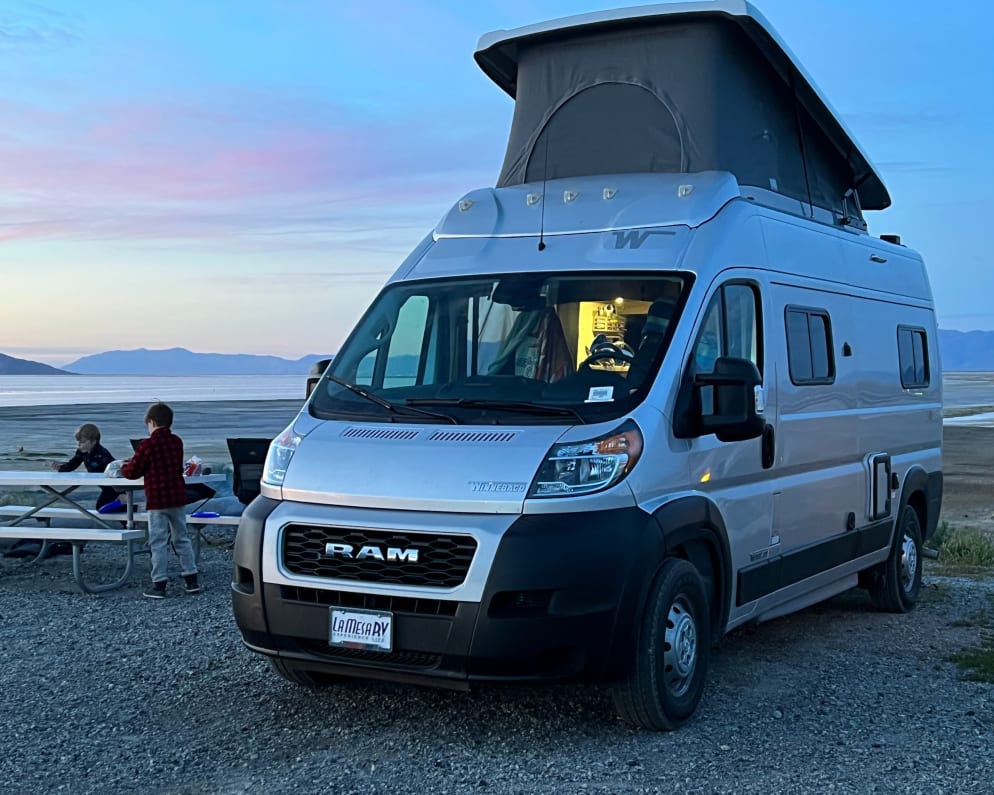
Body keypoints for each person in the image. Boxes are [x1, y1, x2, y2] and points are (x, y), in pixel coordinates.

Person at [3, 423, 119, 559]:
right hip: (104, 487)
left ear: (93, 442)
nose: (79, 445)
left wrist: (120, 488)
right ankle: (124, 508)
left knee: (105, 506)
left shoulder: (102, 453)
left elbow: (114, 470)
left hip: (114, 486)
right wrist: (61, 468)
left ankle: (126, 511)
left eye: (82, 442)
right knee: (101, 507)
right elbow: (72, 464)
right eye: (78, 442)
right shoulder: (81, 452)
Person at [121, 402, 201, 599]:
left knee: (158, 541)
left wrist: (123, 466)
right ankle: (191, 579)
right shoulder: (177, 442)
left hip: (157, 500)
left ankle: (159, 583)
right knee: (181, 538)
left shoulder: (147, 445)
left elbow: (133, 472)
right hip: (177, 497)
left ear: (152, 422)